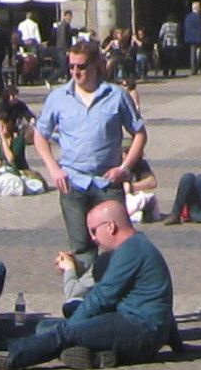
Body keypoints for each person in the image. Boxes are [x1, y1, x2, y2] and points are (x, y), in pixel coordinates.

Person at [0, 192, 179, 369]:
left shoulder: (130, 252)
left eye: (94, 231)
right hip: (139, 328)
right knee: (49, 325)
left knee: (64, 332)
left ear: (110, 227)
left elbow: (101, 298)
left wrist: (71, 329)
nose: (93, 238)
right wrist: (177, 344)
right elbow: (164, 305)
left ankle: (14, 357)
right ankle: (99, 356)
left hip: (139, 333)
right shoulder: (138, 244)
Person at [36, 43, 147, 259]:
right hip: (73, 182)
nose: (76, 72)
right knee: (82, 250)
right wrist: (53, 168)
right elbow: (40, 135)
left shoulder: (116, 95)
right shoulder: (58, 98)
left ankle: (115, 291)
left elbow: (140, 134)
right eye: (71, 67)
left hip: (108, 183)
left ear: (96, 65)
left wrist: (124, 169)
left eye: (82, 66)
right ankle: (87, 292)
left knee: (119, 249)